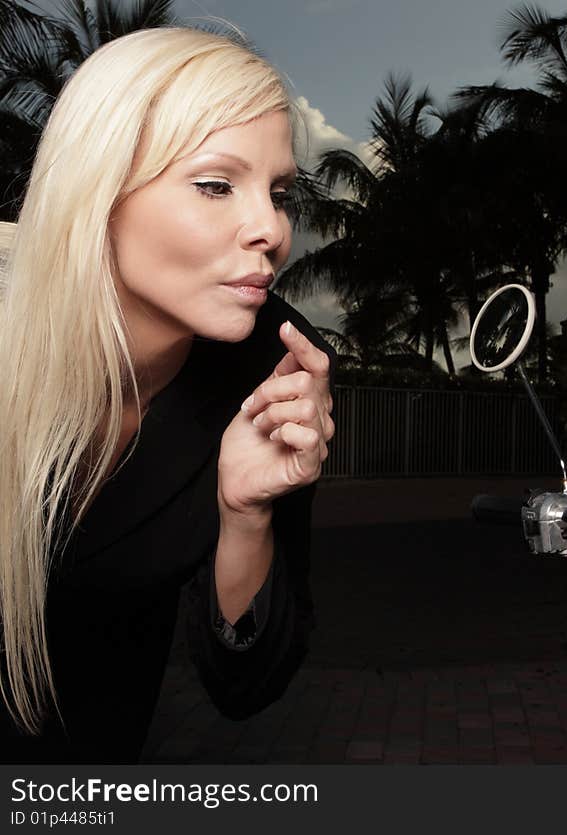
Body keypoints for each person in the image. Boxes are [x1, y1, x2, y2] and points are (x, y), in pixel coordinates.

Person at [0, 26, 336, 763]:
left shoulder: (271, 362)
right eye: (216, 184)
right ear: (98, 189)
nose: (271, 229)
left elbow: (247, 683)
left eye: (280, 193)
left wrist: (245, 515)